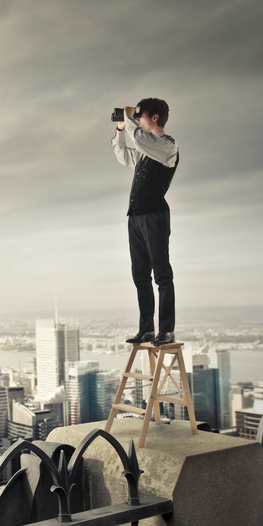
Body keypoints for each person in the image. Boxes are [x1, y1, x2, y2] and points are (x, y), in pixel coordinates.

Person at [112, 98, 179, 347]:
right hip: (136, 217)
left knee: (162, 273)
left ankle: (167, 330)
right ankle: (147, 330)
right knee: (140, 275)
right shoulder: (144, 151)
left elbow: (140, 138)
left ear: (155, 118)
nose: (138, 118)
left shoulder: (167, 145)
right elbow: (123, 155)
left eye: (142, 115)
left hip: (154, 216)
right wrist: (121, 128)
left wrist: (129, 118)